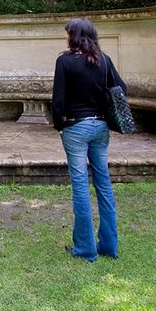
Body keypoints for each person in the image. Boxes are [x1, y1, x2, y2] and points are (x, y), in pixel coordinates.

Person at [51, 17, 126, 262]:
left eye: (67, 33)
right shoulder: (104, 60)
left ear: (73, 35)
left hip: (76, 127)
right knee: (104, 184)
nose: (65, 36)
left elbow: (58, 99)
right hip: (100, 126)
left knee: (81, 186)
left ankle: (85, 249)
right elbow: (122, 89)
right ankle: (108, 245)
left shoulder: (65, 61)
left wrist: (60, 126)